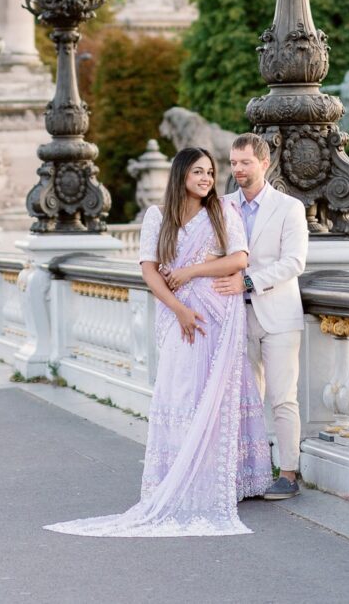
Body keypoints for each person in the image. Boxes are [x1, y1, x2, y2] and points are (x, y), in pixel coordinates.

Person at [45, 147, 271, 538]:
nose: (206, 178)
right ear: (180, 174)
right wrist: (178, 308)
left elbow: (238, 260)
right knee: (181, 390)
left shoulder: (222, 212)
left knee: (215, 393)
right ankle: (180, 474)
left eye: (210, 172)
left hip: (217, 314)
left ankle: (223, 479)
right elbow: (149, 270)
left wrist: (190, 271)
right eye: (198, 171)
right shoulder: (158, 217)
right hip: (178, 315)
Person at [213, 134, 309, 499]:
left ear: (264, 163)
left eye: (244, 163)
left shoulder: (289, 208)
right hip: (235, 317)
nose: (237, 169)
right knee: (245, 400)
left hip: (278, 316)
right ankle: (250, 474)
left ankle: (288, 473)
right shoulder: (222, 207)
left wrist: (248, 281)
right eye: (233, 163)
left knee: (283, 398)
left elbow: (294, 262)